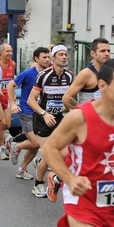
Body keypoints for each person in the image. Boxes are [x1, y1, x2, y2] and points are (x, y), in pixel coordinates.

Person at [39, 58, 114, 227]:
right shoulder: (81, 117)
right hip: (84, 199)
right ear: (102, 85)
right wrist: (70, 179)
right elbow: (49, 148)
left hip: (110, 199)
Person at [42, 38, 112, 202]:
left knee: (102, 162)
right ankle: (59, 179)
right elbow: (67, 98)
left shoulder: (110, 72)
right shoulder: (87, 74)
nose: (107, 53)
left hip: (106, 122)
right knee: (85, 160)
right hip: (86, 124)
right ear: (93, 54)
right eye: (102, 51)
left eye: (108, 50)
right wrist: (87, 114)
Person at [26, 44, 73, 198]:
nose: (64, 57)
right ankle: (38, 185)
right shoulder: (44, 76)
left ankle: (56, 177)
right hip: (42, 119)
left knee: (67, 153)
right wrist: (44, 114)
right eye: (60, 54)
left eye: (65, 54)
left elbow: (70, 99)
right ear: (53, 58)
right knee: (48, 154)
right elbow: (30, 100)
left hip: (59, 119)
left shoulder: (69, 76)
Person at [7, 47, 51, 180]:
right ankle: (15, 145)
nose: (47, 60)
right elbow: (10, 85)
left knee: (34, 145)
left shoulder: (49, 74)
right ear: (36, 59)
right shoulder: (28, 73)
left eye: (49, 57)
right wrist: (13, 104)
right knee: (36, 143)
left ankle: (22, 169)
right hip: (26, 111)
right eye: (44, 57)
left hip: (41, 113)